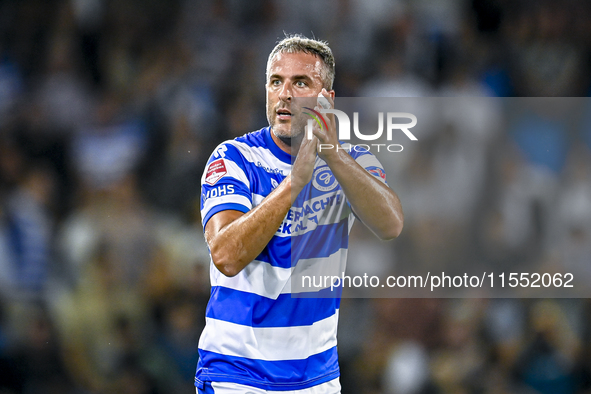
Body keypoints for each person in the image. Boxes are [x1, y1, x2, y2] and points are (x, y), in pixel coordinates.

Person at [195, 34, 404, 394]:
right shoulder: (234, 158)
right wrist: (295, 181)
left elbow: (391, 225)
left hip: (317, 379)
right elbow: (226, 256)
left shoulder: (351, 161)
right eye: (276, 82)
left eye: (301, 82)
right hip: (236, 375)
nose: (285, 94)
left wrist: (334, 155)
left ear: (328, 99)